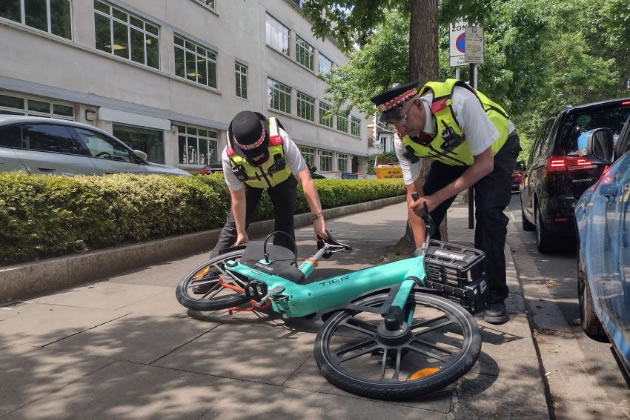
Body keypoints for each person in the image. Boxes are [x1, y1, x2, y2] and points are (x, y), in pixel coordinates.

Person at [370, 79, 521, 324]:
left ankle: (494, 295)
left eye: (402, 120)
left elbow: (484, 164)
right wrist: (419, 253)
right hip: (455, 158)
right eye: (393, 124)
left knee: (488, 214)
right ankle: (433, 281)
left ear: (418, 105)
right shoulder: (403, 139)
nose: (399, 130)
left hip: (496, 149)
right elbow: (415, 197)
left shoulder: (459, 102)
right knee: (426, 212)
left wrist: (438, 198)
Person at [210, 110, 327, 258]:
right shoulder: (228, 156)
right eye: (252, 156)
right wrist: (241, 231)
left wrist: (318, 219)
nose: (258, 158)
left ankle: (285, 267)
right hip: (251, 184)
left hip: (283, 180)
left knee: (284, 225)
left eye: (261, 152)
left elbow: (305, 178)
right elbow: (238, 199)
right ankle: (211, 273)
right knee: (233, 229)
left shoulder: (281, 139)